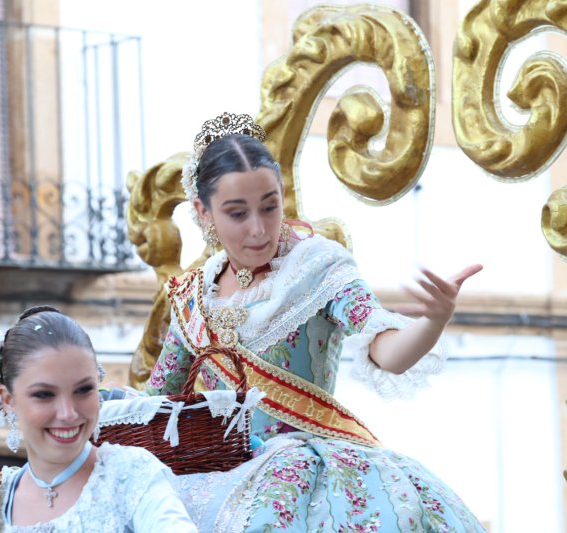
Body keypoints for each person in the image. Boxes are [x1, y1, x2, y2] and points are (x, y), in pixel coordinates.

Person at [144, 112, 486, 531]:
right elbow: (156, 404)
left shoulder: (318, 267)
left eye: (270, 207)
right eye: (237, 213)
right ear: (203, 212)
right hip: (213, 484)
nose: (258, 229)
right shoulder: (192, 297)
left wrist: (433, 320)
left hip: (308, 485)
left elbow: (387, 352)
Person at [0, 306, 197, 532]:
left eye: (83, 390)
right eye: (44, 395)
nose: (68, 413)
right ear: (7, 399)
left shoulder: (132, 476)